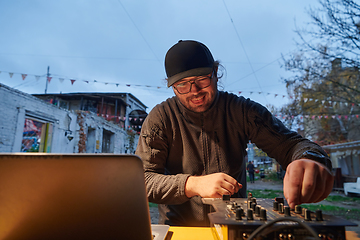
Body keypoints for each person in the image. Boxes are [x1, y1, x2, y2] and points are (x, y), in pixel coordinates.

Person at [135, 40, 334, 227]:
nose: (194, 91)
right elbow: (142, 180)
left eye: (201, 80)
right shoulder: (160, 118)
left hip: (234, 226)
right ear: (172, 86)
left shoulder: (242, 111)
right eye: (182, 84)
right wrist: (191, 184)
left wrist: (310, 158)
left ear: (215, 72)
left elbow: (291, 145)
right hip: (179, 230)